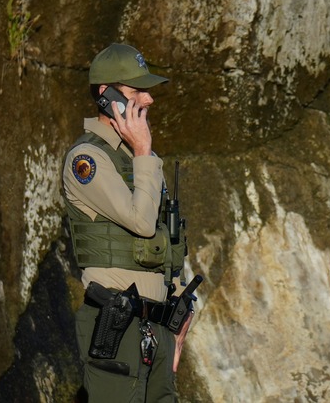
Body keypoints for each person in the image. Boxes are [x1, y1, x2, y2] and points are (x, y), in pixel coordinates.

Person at [63, 43, 192, 402]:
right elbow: (142, 223)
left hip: (159, 326)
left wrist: (182, 309)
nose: (149, 101)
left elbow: (167, 241)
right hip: (117, 323)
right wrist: (142, 152)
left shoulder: (145, 160)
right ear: (107, 96)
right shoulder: (87, 158)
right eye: (138, 92)